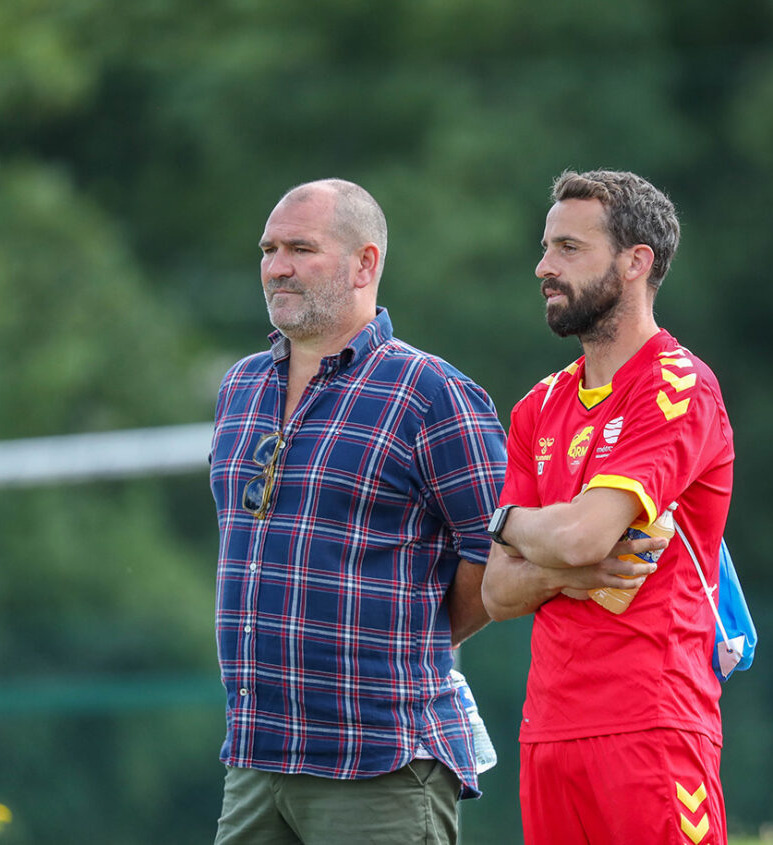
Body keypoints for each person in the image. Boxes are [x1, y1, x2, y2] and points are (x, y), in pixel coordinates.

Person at [208, 179, 506, 844]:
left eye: (301, 248)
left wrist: (416, 634)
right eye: (269, 248)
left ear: (365, 263)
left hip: (380, 763)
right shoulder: (240, 386)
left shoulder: (431, 392)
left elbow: (500, 553)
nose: (277, 265)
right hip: (256, 760)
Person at [481, 170, 735, 845]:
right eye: (545, 247)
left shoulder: (677, 386)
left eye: (569, 247)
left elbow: (585, 535)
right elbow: (498, 588)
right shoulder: (537, 407)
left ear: (635, 262)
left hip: (652, 724)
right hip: (549, 733)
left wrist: (508, 523)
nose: (543, 266)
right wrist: (559, 565)